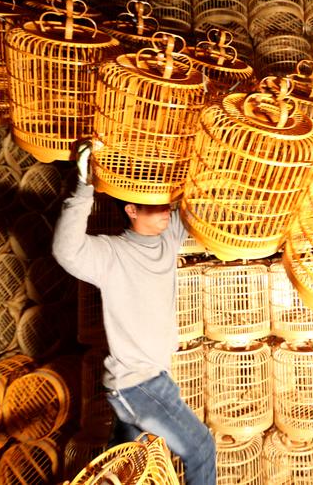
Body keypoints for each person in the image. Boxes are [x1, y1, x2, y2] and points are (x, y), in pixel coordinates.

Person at [52, 142, 216, 485]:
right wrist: (85, 187)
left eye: (166, 205)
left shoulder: (167, 239)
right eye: (155, 207)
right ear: (131, 210)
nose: (166, 212)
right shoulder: (111, 254)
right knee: (200, 448)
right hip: (136, 385)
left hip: (153, 377)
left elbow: (195, 202)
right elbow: (66, 250)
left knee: (126, 466)